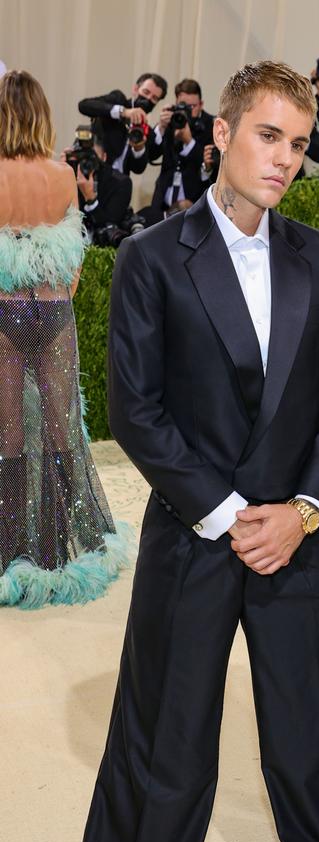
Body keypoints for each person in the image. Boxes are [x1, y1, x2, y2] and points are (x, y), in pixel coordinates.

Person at [68, 60, 319, 842]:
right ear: (222, 134)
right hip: (194, 532)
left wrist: (302, 513)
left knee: (315, 728)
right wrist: (226, 514)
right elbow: (137, 411)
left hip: (293, 532)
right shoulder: (149, 257)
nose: (286, 159)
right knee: (163, 738)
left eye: (299, 143)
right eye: (268, 136)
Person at [0, 71, 131, 608]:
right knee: (59, 427)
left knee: (8, 430)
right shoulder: (61, 176)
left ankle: (12, 550)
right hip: (53, 314)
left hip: (4, 316)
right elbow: (71, 262)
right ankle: (57, 547)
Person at [140, 78, 214, 225]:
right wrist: (160, 128)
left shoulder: (211, 125)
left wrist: (189, 142)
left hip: (193, 202)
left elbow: (212, 165)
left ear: (201, 105)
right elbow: (151, 155)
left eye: (192, 106)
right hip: (163, 200)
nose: (188, 110)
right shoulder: (172, 118)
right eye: (184, 105)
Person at [78, 72, 167, 175]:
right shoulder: (118, 100)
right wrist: (123, 112)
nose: (148, 99)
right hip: (92, 173)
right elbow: (84, 105)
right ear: (135, 89)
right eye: (146, 92)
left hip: (119, 185)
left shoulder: (146, 131)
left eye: (154, 98)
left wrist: (139, 148)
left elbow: (138, 169)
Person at [67, 128, 133, 241]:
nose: (86, 164)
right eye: (82, 158)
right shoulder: (70, 176)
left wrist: (91, 199)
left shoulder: (121, 183)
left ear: (104, 157)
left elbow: (110, 228)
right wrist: (63, 172)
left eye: (92, 158)